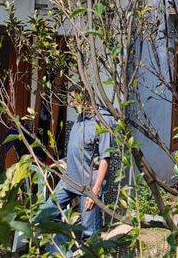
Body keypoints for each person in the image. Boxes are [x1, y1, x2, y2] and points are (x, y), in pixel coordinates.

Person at [37, 90, 115, 244]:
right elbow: (78, 148)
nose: (71, 104)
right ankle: (64, 253)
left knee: (89, 234)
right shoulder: (80, 118)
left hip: (88, 186)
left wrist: (95, 191)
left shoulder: (103, 120)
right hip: (69, 180)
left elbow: (105, 159)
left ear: (85, 99)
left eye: (73, 100)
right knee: (44, 216)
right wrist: (64, 161)